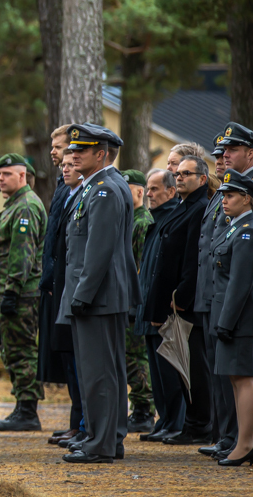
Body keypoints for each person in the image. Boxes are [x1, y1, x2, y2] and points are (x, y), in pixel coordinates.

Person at [59, 124, 138, 463]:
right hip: (98, 294)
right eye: (72, 149)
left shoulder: (104, 189)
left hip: (98, 296)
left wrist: (83, 294)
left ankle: (102, 443)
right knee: (104, 370)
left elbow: (99, 249)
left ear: (101, 154)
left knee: (99, 372)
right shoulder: (97, 186)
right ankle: (105, 436)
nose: (72, 155)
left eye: (82, 150)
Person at [139, 157, 214, 446]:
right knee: (182, 367)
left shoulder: (199, 209)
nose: (180, 177)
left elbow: (194, 257)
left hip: (185, 303)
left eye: (187, 174)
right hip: (171, 301)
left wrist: (182, 295)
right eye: (178, 173)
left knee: (194, 367)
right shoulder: (183, 207)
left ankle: (198, 424)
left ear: (202, 179)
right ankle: (190, 423)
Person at [0, 154, 47, 432]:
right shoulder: (13, 205)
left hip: (20, 292)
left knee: (21, 350)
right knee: (12, 349)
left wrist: (12, 292)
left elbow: (21, 254)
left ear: (23, 176)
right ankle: (22, 407)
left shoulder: (25, 207)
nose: (1, 178)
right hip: (10, 289)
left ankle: (28, 410)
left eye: (7, 174)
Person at [196, 131, 239, 459]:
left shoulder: (242, 192)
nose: (221, 158)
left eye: (229, 152)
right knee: (217, 371)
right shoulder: (221, 193)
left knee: (229, 374)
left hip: (225, 294)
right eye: (219, 154)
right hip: (211, 293)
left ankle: (233, 437)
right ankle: (224, 434)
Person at [209, 169, 253, 466]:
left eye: (231, 195)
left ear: (247, 198)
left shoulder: (248, 230)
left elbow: (240, 281)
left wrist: (226, 321)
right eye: (223, 195)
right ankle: (243, 440)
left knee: (244, 379)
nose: (224, 200)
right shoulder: (235, 226)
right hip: (230, 315)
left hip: (241, 319)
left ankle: (246, 443)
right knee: (236, 379)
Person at [45, 151, 85, 448]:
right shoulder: (68, 195)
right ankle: (79, 423)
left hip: (78, 293)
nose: (64, 169)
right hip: (63, 288)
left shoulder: (91, 195)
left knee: (83, 365)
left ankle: (85, 425)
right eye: (63, 165)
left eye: (72, 165)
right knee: (71, 362)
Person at [122, 169, 155, 433]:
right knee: (128, 354)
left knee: (135, 356)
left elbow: (142, 266)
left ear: (140, 192)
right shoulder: (129, 219)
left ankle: (144, 410)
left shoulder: (142, 222)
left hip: (135, 300)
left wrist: (136, 304)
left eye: (128, 190)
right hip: (127, 298)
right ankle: (139, 407)